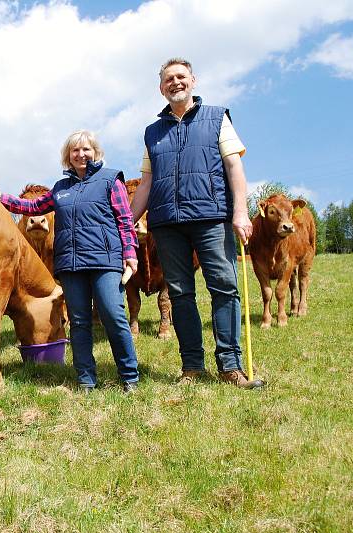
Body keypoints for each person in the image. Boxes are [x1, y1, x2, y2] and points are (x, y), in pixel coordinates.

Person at [130, 57, 264, 389]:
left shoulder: (217, 118)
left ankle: (230, 366)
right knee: (180, 294)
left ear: (193, 81)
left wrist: (241, 212)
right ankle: (192, 367)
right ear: (161, 88)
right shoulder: (152, 133)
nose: (175, 82)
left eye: (181, 77)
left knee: (224, 288)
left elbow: (234, 167)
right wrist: (125, 224)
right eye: (168, 79)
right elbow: (146, 184)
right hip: (167, 224)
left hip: (211, 218)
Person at [0, 130, 141, 393]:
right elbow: (32, 208)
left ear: (96, 152)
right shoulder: (60, 188)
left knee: (113, 315)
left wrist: (130, 252)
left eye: (86, 149)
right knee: (78, 322)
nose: (81, 154)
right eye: (75, 150)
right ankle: (86, 380)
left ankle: (129, 376)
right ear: (68, 156)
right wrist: (2, 197)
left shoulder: (111, 181)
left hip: (105, 260)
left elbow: (125, 220)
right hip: (71, 264)